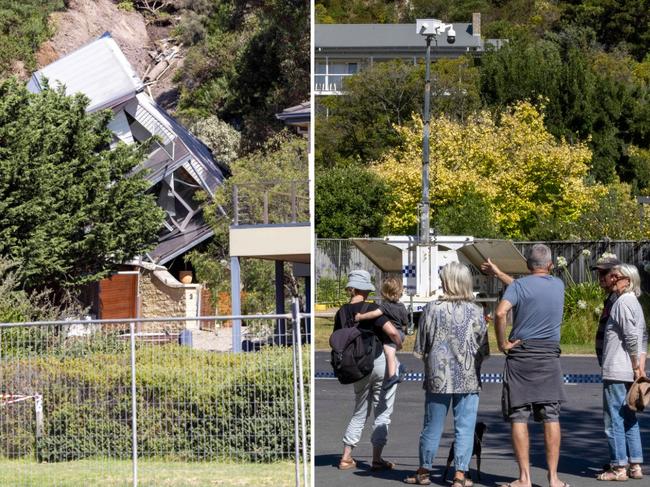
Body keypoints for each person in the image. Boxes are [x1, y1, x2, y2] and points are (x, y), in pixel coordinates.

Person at [481, 244, 570, 487]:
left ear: (527, 266)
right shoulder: (558, 285)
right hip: (549, 356)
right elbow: (526, 289)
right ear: (550, 265)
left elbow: (500, 313)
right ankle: (553, 478)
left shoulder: (520, 286)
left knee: (519, 415)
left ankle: (524, 479)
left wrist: (502, 343)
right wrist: (500, 274)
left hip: (521, 356)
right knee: (551, 415)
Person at [405, 262, 488, 486]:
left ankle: (424, 471)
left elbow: (421, 347)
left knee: (432, 425)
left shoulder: (432, 309)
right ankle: (460, 475)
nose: (440, 282)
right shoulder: (477, 310)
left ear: (448, 282)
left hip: (438, 376)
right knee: (465, 426)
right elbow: (483, 349)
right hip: (469, 376)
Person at [336, 269, 403, 472]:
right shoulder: (372, 308)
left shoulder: (341, 312)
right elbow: (391, 331)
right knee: (382, 410)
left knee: (359, 410)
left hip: (356, 367)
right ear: (365, 289)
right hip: (379, 361)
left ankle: (346, 456)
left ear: (351, 288)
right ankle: (377, 458)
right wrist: (398, 344)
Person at [597, 263, 647, 481]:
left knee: (614, 419)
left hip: (618, 370)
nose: (612, 279)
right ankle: (635, 464)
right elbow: (642, 336)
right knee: (629, 417)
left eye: (616, 276)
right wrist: (639, 366)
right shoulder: (634, 302)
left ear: (627, 280)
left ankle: (618, 467)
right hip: (627, 370)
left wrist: (637, 365)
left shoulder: (622, 303)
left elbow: (632, 337)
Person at [355, 276, 408, 390]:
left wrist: (361, 316)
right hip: (401, 332)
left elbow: (374, 314)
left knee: (388, 352)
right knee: (391, 352)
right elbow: (405, 323)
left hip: (392, 334)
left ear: (385, 292)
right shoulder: (402, 306)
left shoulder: (385, 306)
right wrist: (403, 333)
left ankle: (392, 375)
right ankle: (400, 366)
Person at [591, 255, 622, 368]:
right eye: (599, 274)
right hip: (609, 365)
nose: (601, 278)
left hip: (616, 367)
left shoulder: (619, 299)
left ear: (616, 276)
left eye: (604, 273)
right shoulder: (611, 298)